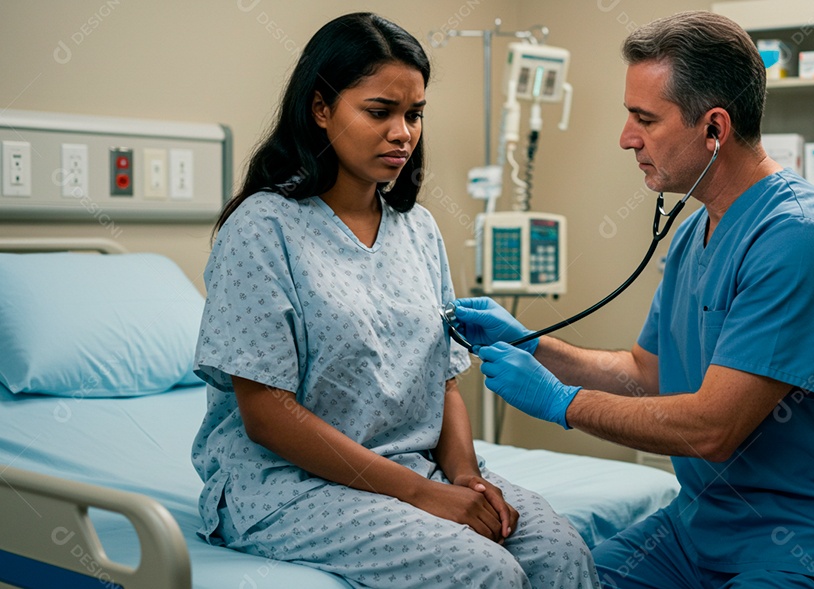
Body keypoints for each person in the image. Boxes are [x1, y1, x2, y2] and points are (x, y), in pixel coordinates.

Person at [451, 10, 814, 589]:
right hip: (699, 530)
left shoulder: (800, 238)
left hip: (807, 542)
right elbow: (648, 373)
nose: (626, 138)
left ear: (714, 128)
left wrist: (561, 403)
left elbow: (714, 427)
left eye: (644, 119)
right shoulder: (695, 232)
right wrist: (534, 347)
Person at [190, 13, 598, 589]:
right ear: (321, 108)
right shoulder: (261, 229)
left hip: (415, 468)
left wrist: (465, 477)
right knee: (484, 572)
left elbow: (443, 381)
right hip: (288, 483)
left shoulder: (418, 228)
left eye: (414, 114)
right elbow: (267, 416)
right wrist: (421, 494)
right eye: (379, 112)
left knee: (561, 553)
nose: (403, 133)